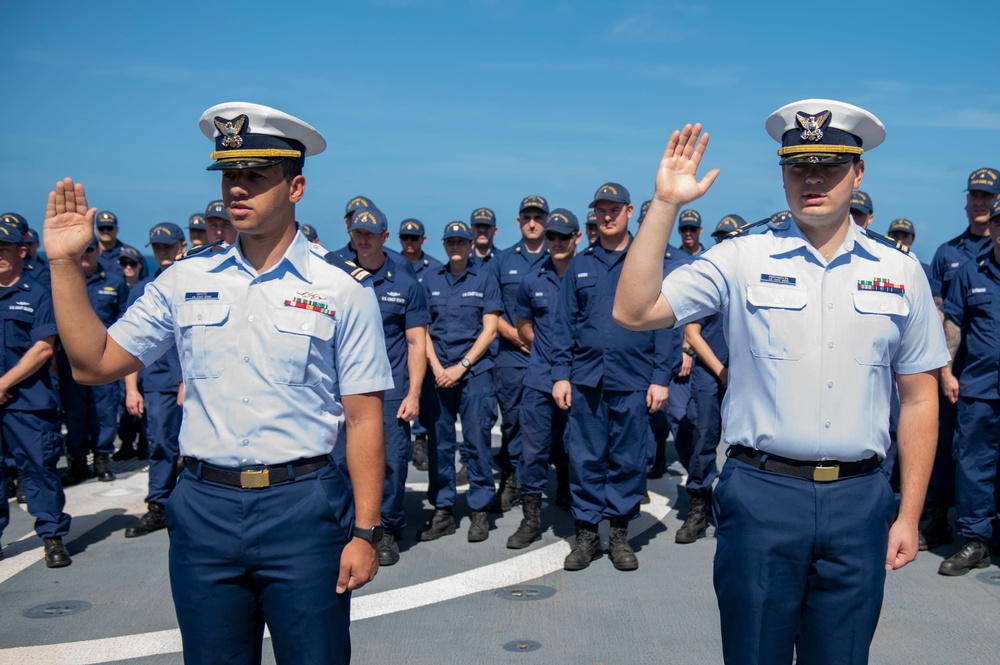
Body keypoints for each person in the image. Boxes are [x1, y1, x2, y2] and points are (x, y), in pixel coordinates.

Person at [43, 101, 391, 663]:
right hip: (204, 510)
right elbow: (94, 362)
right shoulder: (185, 279)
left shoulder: (342, 289)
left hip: (302, 510)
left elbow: (363, 416)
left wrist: (366, 532)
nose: (238, 189)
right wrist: (62, 264)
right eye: (231, 175)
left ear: (295, 186)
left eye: (255, 176)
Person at [614, 101, 948, 665]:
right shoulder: (742, 255)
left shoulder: (901, 271)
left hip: (859, 501)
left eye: (830, 166)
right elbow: (635, 308)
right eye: (798, 166)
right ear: (783, 173)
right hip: (763, 495)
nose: (812, 179)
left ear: (858, 173)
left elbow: (919, 398)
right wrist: (666, 204)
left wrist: (909, 515)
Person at [550, 182, 671, 572]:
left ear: (629, 211)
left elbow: (667, 323)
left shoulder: (647, 261)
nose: (607, 215)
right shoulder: (580, 265)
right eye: (601, 209)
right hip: (586, 379)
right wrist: (560, 375)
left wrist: (660, 378)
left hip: (634, 379)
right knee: (584, 457)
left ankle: (619, 534)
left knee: (627, 458)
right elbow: (563, 323)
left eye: (614, 209)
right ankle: (586, 535)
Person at [344, 207, 428, 565]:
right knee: (338, 462)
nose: (363, 238)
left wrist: (413, 393)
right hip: (344, 387)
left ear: (384, 237)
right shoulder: (335, 274)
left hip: (390, 387)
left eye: (370, 233)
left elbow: (416, 342)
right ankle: (348, 528)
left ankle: (387, 530)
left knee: (392, 462)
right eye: (357, 232)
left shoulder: (405, 281)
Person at [923, 167, 998, 550]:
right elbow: (940, 312)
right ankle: (938, 518)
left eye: (987, 196)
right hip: (958, 371)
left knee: (979, 458)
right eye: (975, 195)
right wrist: (942, 365)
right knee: (946, 448)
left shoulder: (993, 254)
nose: (980, 202)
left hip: (985, 371)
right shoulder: (948, 253)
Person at [417, 221, 501, 543]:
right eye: (450, 241)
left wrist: (461, 367)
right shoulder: (429, 281)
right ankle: (443, 512)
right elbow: (422, 328)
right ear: (444, 245)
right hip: (438, 374)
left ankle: (479, 511)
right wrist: (438, 367)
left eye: (461, 242)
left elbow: (489, 329)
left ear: (469, 245)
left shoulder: (484, 278)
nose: (456, 247)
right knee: (440, 444)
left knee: (477, 441)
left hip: (475, 374)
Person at [507, 209, 580, 548]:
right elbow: (523, 326)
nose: (556, 242)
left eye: (563, 236)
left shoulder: (589, 275)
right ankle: (531, 518)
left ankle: (580, 510)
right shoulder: (532, 279)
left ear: (577, 237)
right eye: (551, 236)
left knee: (580, 447)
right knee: (532, 450)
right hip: (540, 376)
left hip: (581, 377)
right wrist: (551, 349)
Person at [0, 224, 71, 568]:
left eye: (5, 247)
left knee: (38, 469)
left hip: (27, 401)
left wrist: (2, 384)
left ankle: (52, 536)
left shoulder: (38, 293)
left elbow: (43, 349)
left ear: (21, 252)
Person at [674, 216, 738, 544]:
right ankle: (698, 509)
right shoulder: (708, 281)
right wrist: (721, 371)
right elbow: (692, 332)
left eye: (732, 238)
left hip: (745, 375)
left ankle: (735, 510)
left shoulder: (751, 280)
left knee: (746, 446)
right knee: (703, 441)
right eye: (721, 238)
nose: (726, 243)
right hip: (710, 373)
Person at [121, 223, 187, 538]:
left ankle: (192, 507)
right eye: (157, 247)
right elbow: (130, 344)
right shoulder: (142, 290)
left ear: (182, 246)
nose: (163, 252)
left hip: (195, 380)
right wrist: (131, 388)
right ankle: (159, 505)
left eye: (168, 246)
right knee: (160, 444)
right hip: (159, 382)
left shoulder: (195, 281)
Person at [487, 195, 550, 513]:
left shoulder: (560, 257)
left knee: (556, 421)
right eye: (527, 217)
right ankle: (510, 480)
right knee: (511, 421)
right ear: (518, 221)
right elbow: (491, 309)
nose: (533, 222)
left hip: (550, 355)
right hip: (512, 355)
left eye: (538, 217)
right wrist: (515, 334)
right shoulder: (503, 261)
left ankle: (560, 481)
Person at [58, 236, 128, 485]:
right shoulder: (64, 283)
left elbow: (124, 319)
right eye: (81, 251)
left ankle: (102, 459)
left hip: (105, 357)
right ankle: (78, 461)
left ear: (98, 251)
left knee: (104, 411)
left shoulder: (115, 282)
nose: (85, 255)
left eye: (89, 250)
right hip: (69, 361)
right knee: (75, 413)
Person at [397, 217, 442, 472]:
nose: (410, 242)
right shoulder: (393, 264)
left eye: (414, 238)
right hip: (400, 343)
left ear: (423, 240)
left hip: (426, 341)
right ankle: (409, 443)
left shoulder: (433, 268)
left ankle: (421, 440)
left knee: (424, 395)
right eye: (406, 238)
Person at [113, 244, 150, 462]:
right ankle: (127, 443)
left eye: (131, 263)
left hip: (146, 358)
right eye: (123, 263)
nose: (127, 267)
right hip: (124, 352)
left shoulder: (145, 289)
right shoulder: (119, 287)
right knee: (125, 404)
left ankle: (144, 442)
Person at [94, 210, 137, 277]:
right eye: (101, 228)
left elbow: (142, 282)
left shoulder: (131, 254)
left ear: (116, 229)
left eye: (109, 228)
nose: (105, 231)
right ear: (96, 229)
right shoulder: (88, 253)